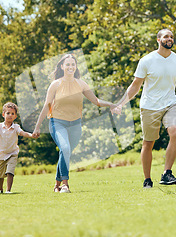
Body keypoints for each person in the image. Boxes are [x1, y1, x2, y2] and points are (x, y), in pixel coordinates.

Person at [112, 28, 176, 188]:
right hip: (149, 106)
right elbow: (135, 86)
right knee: (149, 143)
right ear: (158, 40)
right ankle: (147, 179)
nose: (169, 39)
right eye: (166, 36)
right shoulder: (147, 60)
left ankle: (166, 173)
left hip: (171, 103)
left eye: (171, 36)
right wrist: (121, 103)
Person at [32, 54, 116, 193]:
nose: (70, 67)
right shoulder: (56, 84)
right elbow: (46, 106)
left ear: (75, 67)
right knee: (65, 149)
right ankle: (65, 184)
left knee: (66, 153)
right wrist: (37, 127)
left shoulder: (81, 84)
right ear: (62, 66)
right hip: (57, 122)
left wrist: (111, 105)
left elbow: (96, 101)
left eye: (73, 64)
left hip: (75, 124)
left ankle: (56, 185)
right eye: (68, 64)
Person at [0, 102, 36, 194]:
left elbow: (23, 133)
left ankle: (8, 190)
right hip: (1, 154)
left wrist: (31, 135)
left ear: (15, 116)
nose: (10, 115)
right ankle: (0, 189)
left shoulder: (16, 127)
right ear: (3, 114)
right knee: (0, 175)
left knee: (10, 171)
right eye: (8, 113)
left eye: (12, 114)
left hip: (12, 153)